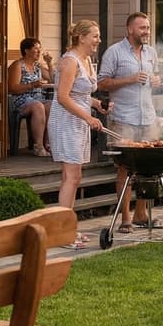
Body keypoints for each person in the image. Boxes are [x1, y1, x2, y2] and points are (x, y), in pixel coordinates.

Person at [97, 12, 163, 232]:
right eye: (142, 28)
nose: (147, 31)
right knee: (124, 170)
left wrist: (156, 81)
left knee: (147, 168)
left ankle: (141, 215)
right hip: (124, 118)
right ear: (130, 29)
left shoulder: (151, 53)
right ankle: (125, 219)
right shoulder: (114, 52)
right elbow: (102, 83)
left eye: (148, 27)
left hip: (148, 117)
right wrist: (130, 79)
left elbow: (158, 79)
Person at [47, 20, 110, 249]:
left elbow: (80, 95)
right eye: (95, 36)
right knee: (71, 177)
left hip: (79, 121)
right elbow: (63, 97)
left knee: (74, 177)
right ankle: (63, 234)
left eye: (99, 36)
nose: (98, 40)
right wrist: (87, 117)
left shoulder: (86, 60)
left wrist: (97, 105)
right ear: (81, 37)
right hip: (66, 122)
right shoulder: (69, 61)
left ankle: (68, 229)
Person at [8, 37, 53, 157]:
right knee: (38, 106)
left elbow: (52, 78)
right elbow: (12, 87)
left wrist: (49, 62)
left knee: (51, 106)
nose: (39, 52)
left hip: (37, 98)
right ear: (26, 51)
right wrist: (32, 85)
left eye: (40, 49)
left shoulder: (37, 66)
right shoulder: (18, 65)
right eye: (36, 49)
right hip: (20, 100)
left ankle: (47, 144)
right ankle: (38, 146)